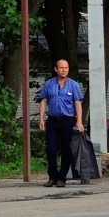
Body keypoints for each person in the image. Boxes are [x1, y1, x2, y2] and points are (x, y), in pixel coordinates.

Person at [37, 58, 84, 188]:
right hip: (52, 120)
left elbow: (77, 103)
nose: (64, 70)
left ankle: (62, 178)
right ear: (56, 69)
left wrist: (79, 121)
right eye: (62, 68)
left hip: (67, 121)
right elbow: (44, 101)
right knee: (51, 149)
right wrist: (41, 118)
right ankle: (52, 176)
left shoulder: (73, 85)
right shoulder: (49, 84)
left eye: (66, 68)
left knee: (66, 150)